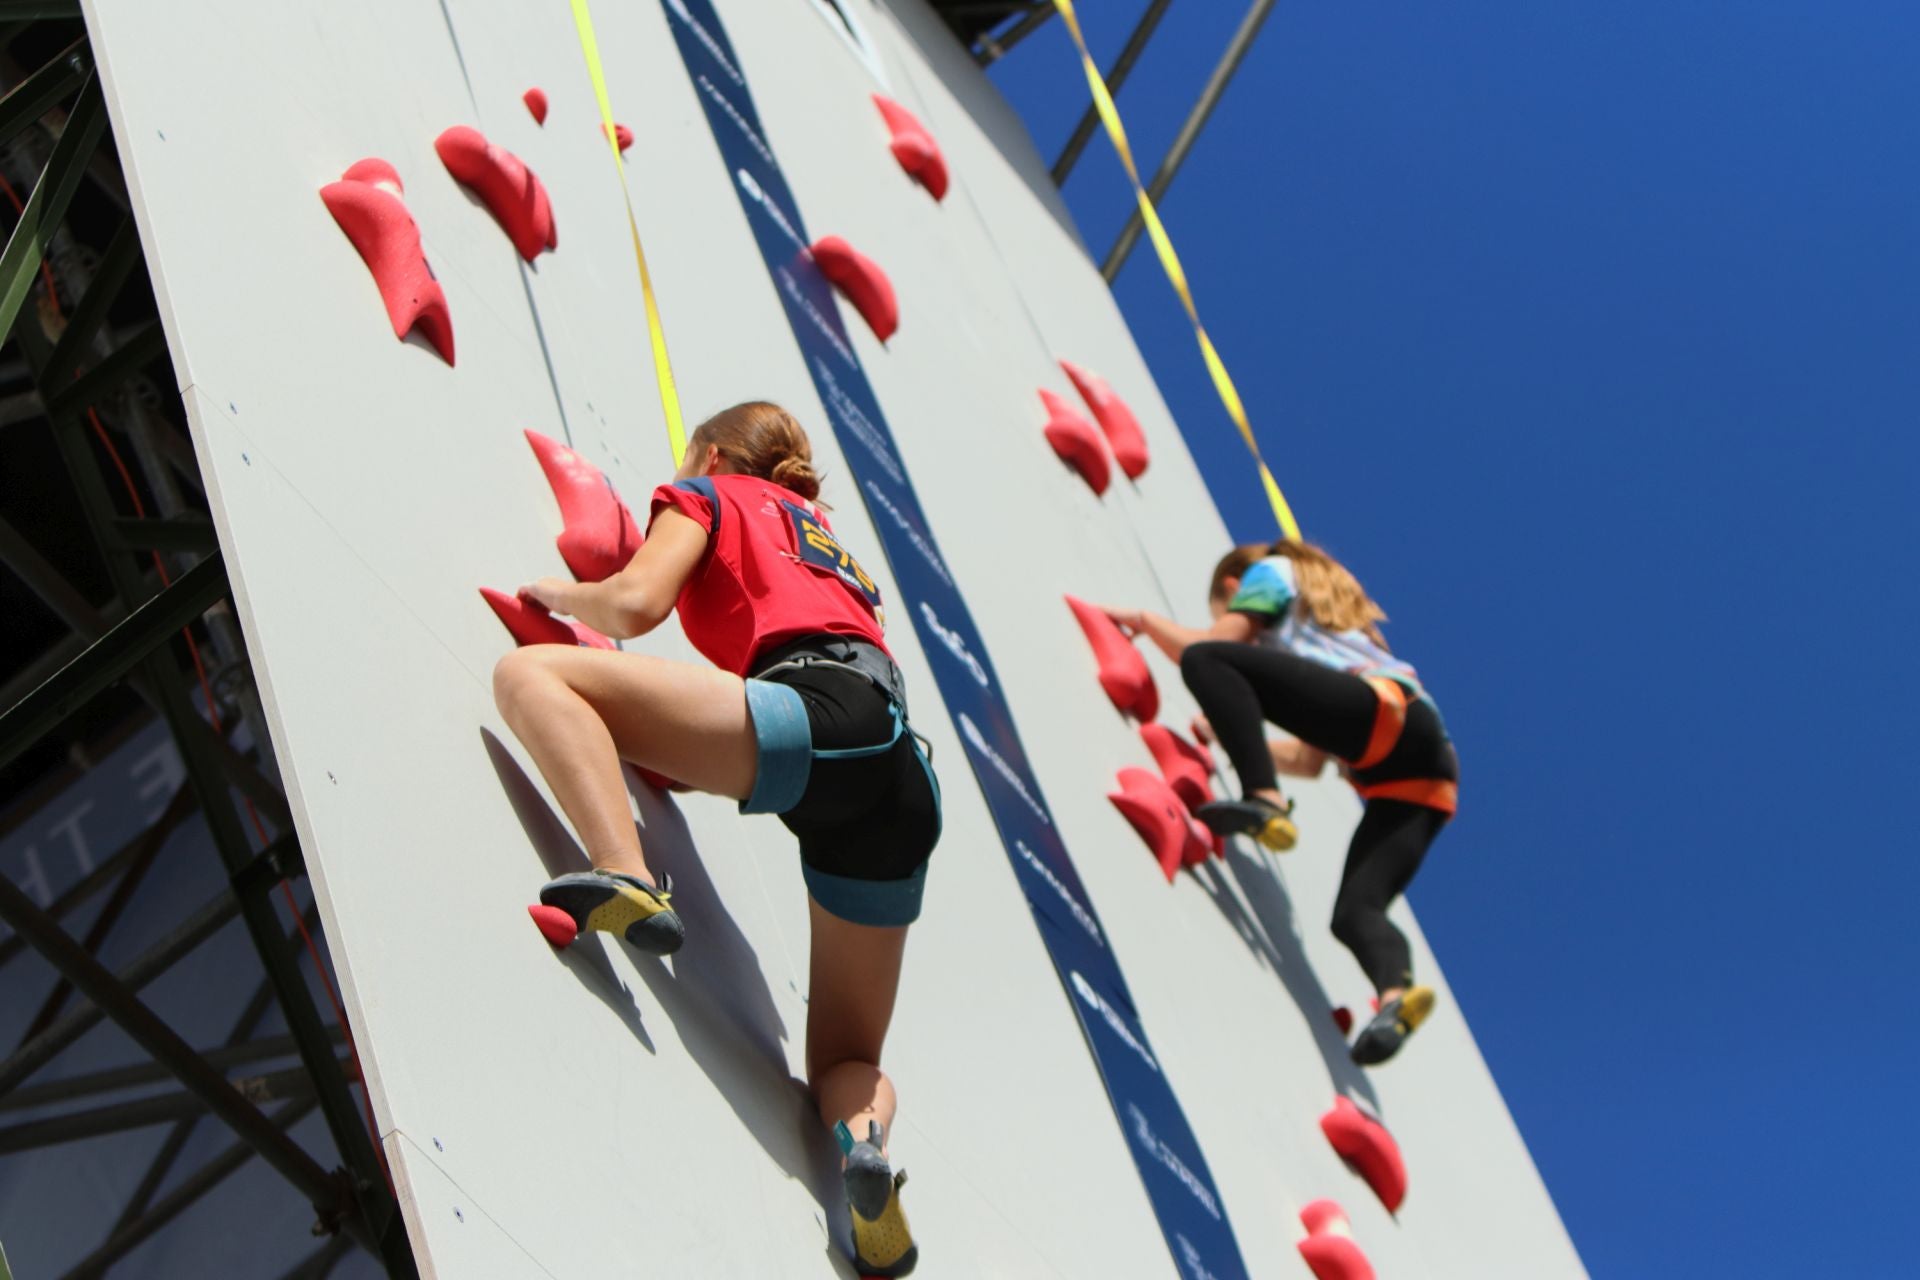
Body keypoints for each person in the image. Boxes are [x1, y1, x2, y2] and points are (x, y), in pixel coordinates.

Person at [493, 402, 936, 1275]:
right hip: (895, 777)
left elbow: (633, 604)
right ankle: (868, 1155)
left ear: (713, 453)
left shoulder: (702, 493)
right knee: (847, 1058)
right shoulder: (819, 535)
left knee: (530, 676)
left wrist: (560, 598)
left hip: (814, 717)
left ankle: (625, 875)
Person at [1103, 541, 1457, 1066]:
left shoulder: (1270, 574)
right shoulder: (1337, 632)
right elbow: (1310, 760)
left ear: (1232, 587)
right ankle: (1395, 998)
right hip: (1421, 779)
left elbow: (1214, 647)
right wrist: (1231, 733)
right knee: (1356, 913)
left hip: (1383, 719)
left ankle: (1264, 802)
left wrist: (1146, 622)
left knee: (1207, 660)